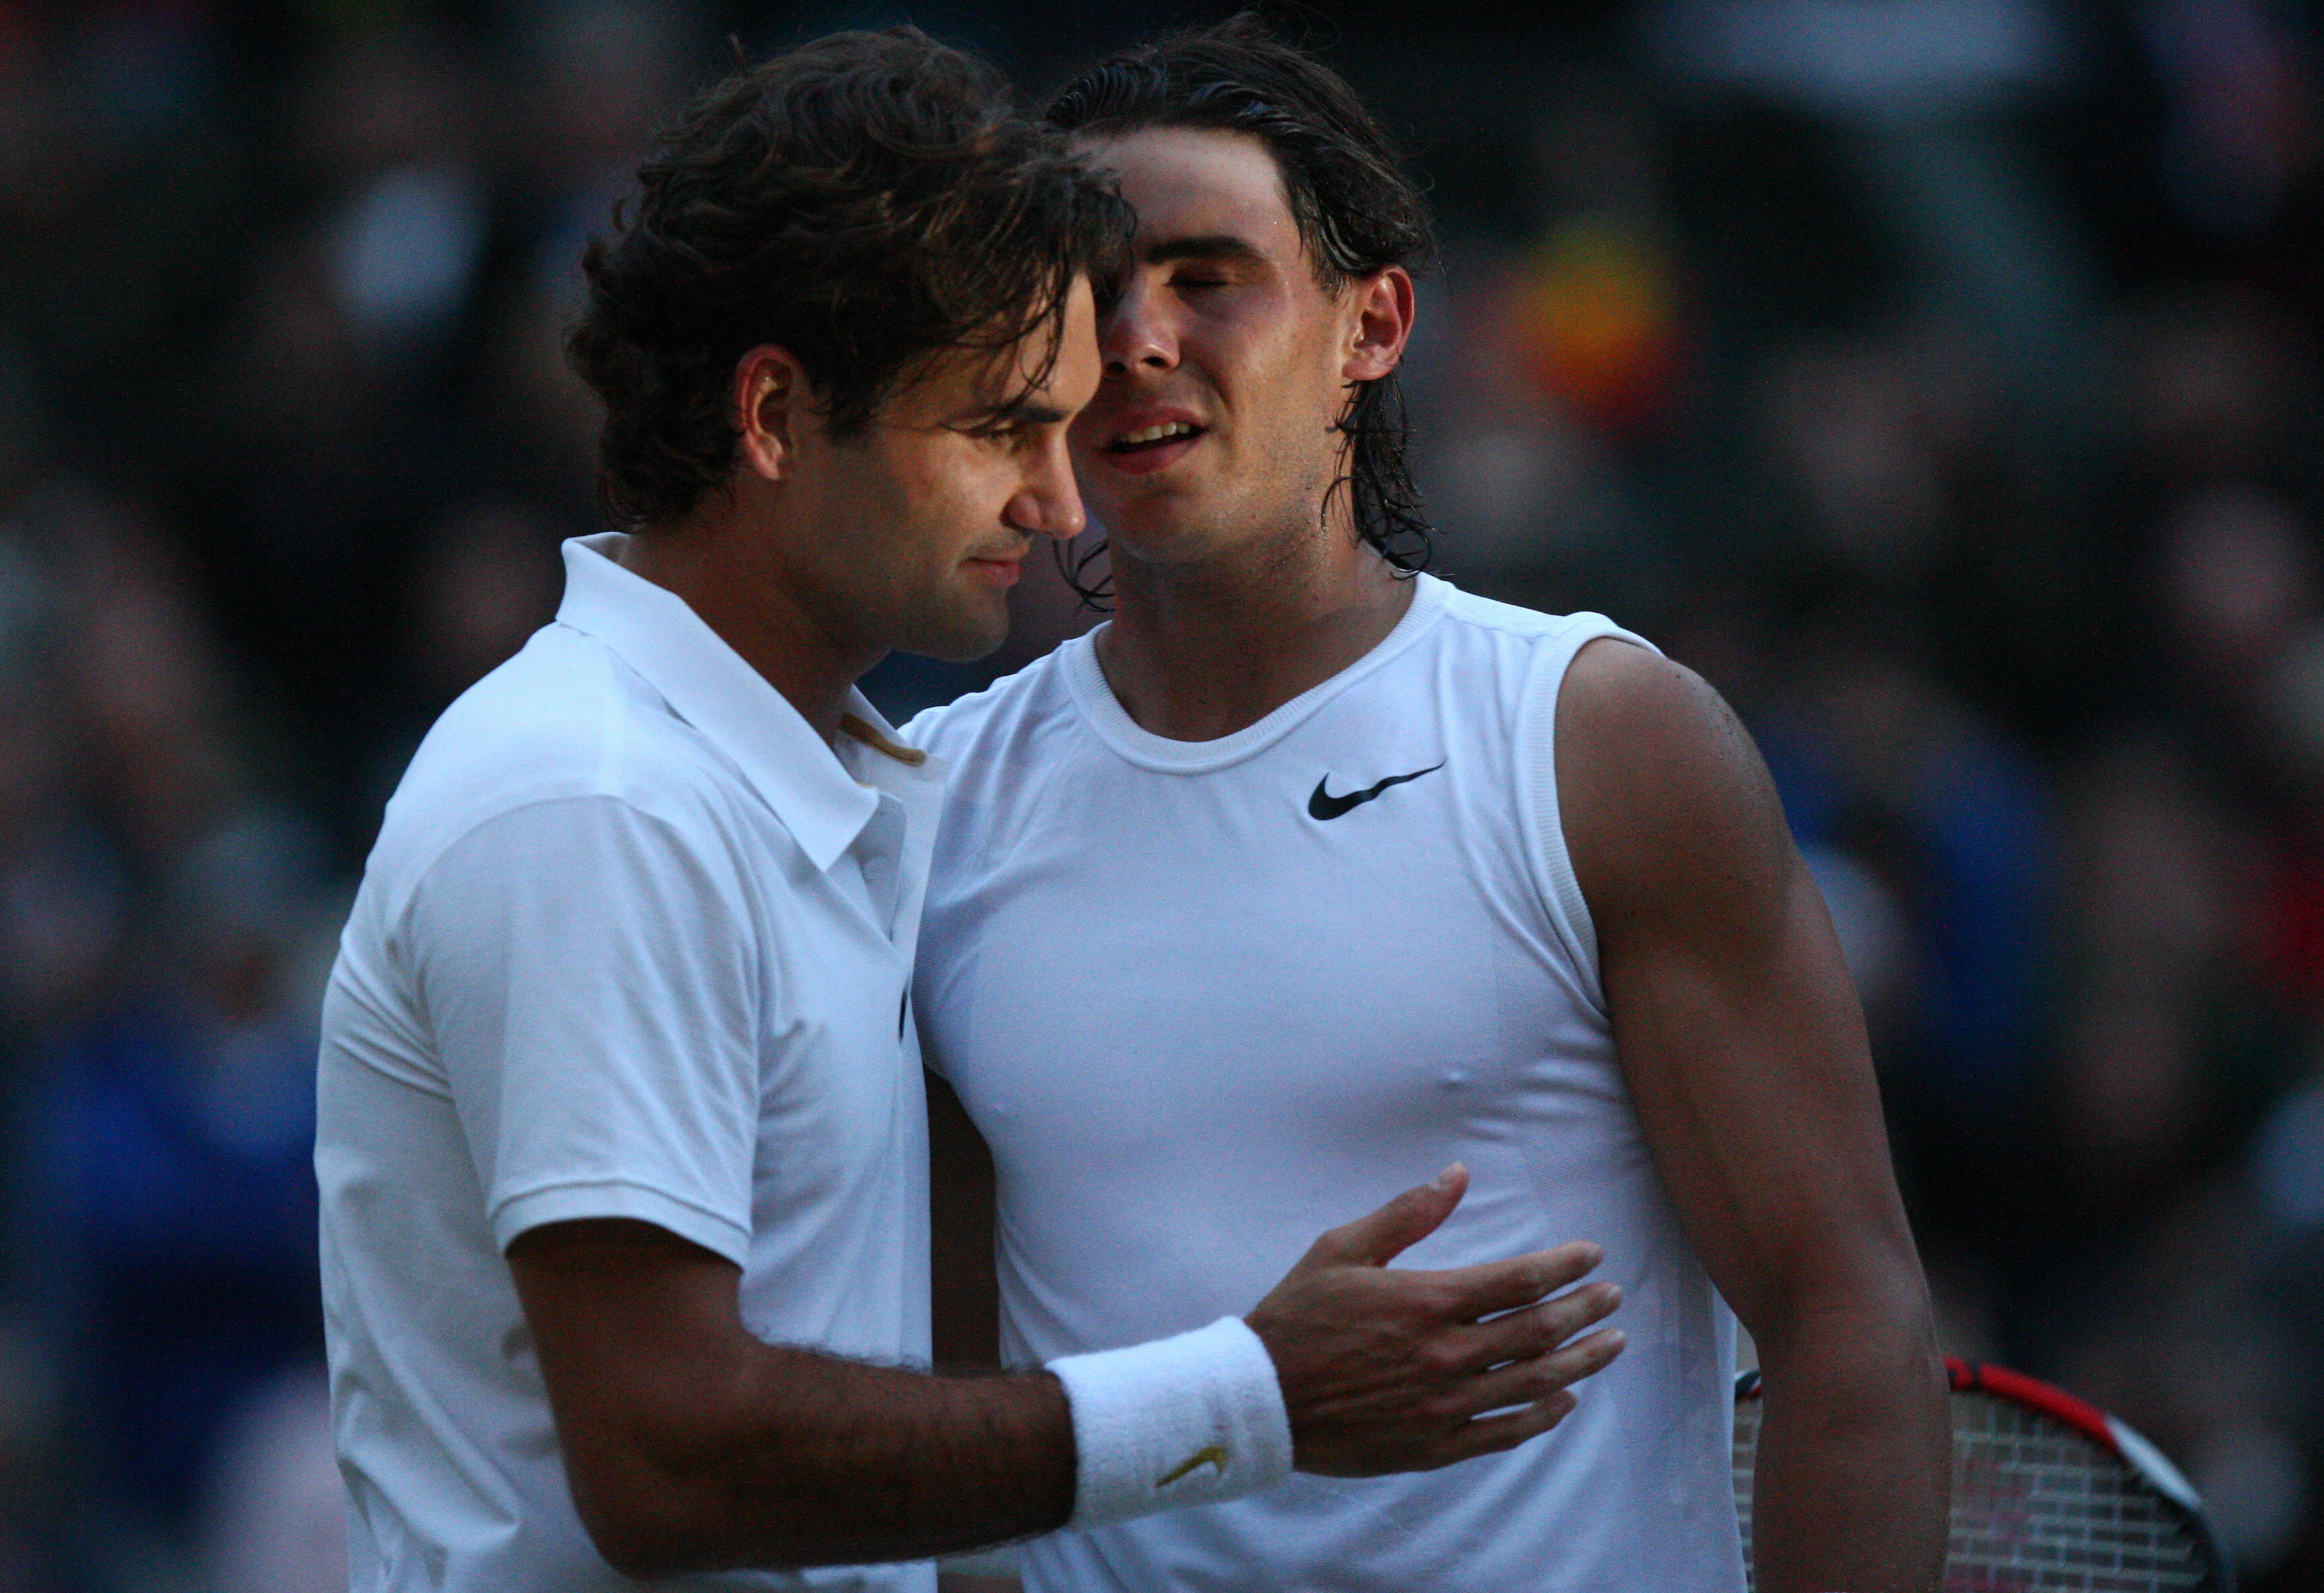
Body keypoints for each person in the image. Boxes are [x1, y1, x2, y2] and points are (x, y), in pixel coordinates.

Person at [314, 28, 1624, 1593]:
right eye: (1001, 426)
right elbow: (669, 1459)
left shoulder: (819, 788)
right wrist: (1254, 1398)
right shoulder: (600, 805)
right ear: (778, 415)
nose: (1061, 503)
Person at [907, 17, 1952, 1592]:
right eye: (1091, 291)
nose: (1137, 338)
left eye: (1208, 277)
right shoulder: (931, 812)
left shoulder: (1601, 740)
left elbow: (1848, 1324)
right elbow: (957, 1422)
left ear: (1372, 326)